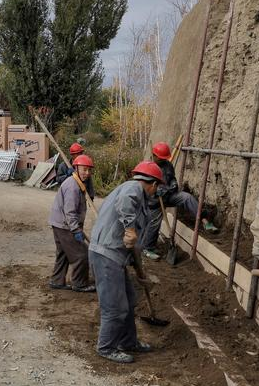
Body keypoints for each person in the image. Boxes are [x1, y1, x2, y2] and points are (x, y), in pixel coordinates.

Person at [88, 160, 163, 364]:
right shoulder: (133, 188)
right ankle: (106, 347)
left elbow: (134, 244)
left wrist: (141, 274)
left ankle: (128, 341)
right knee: (115, 306)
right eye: (157, 187)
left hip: (116, 256)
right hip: (106, 255)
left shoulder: (139, 198)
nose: (156, 191)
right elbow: (126, 205)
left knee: (129, 301)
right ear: (153, 184)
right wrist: (130, 229)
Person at [140, 141, 217, 260]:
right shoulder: (147, 167)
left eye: (164, 159)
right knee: (155, 221)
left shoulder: (167, 165)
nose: (162, 160)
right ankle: (148, 248)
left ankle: (205, 221)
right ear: (154, 156)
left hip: (169, 195)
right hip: (154, 200)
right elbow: (144, 187)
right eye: (160, 158)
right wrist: (155, 191)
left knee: (186, 197)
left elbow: (172, 179)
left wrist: (173, 184)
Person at [48, 155, 96, 293]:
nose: (87, 173)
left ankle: (57, 281)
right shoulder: (72, 186)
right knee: (81, 255)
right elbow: (70, 212)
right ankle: (79, 284)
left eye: (89, 170)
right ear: (75, 168)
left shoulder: (77, 182)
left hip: (59, 223)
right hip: (65, 226)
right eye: (84, 169)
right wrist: (76, 230)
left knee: (63, 253)